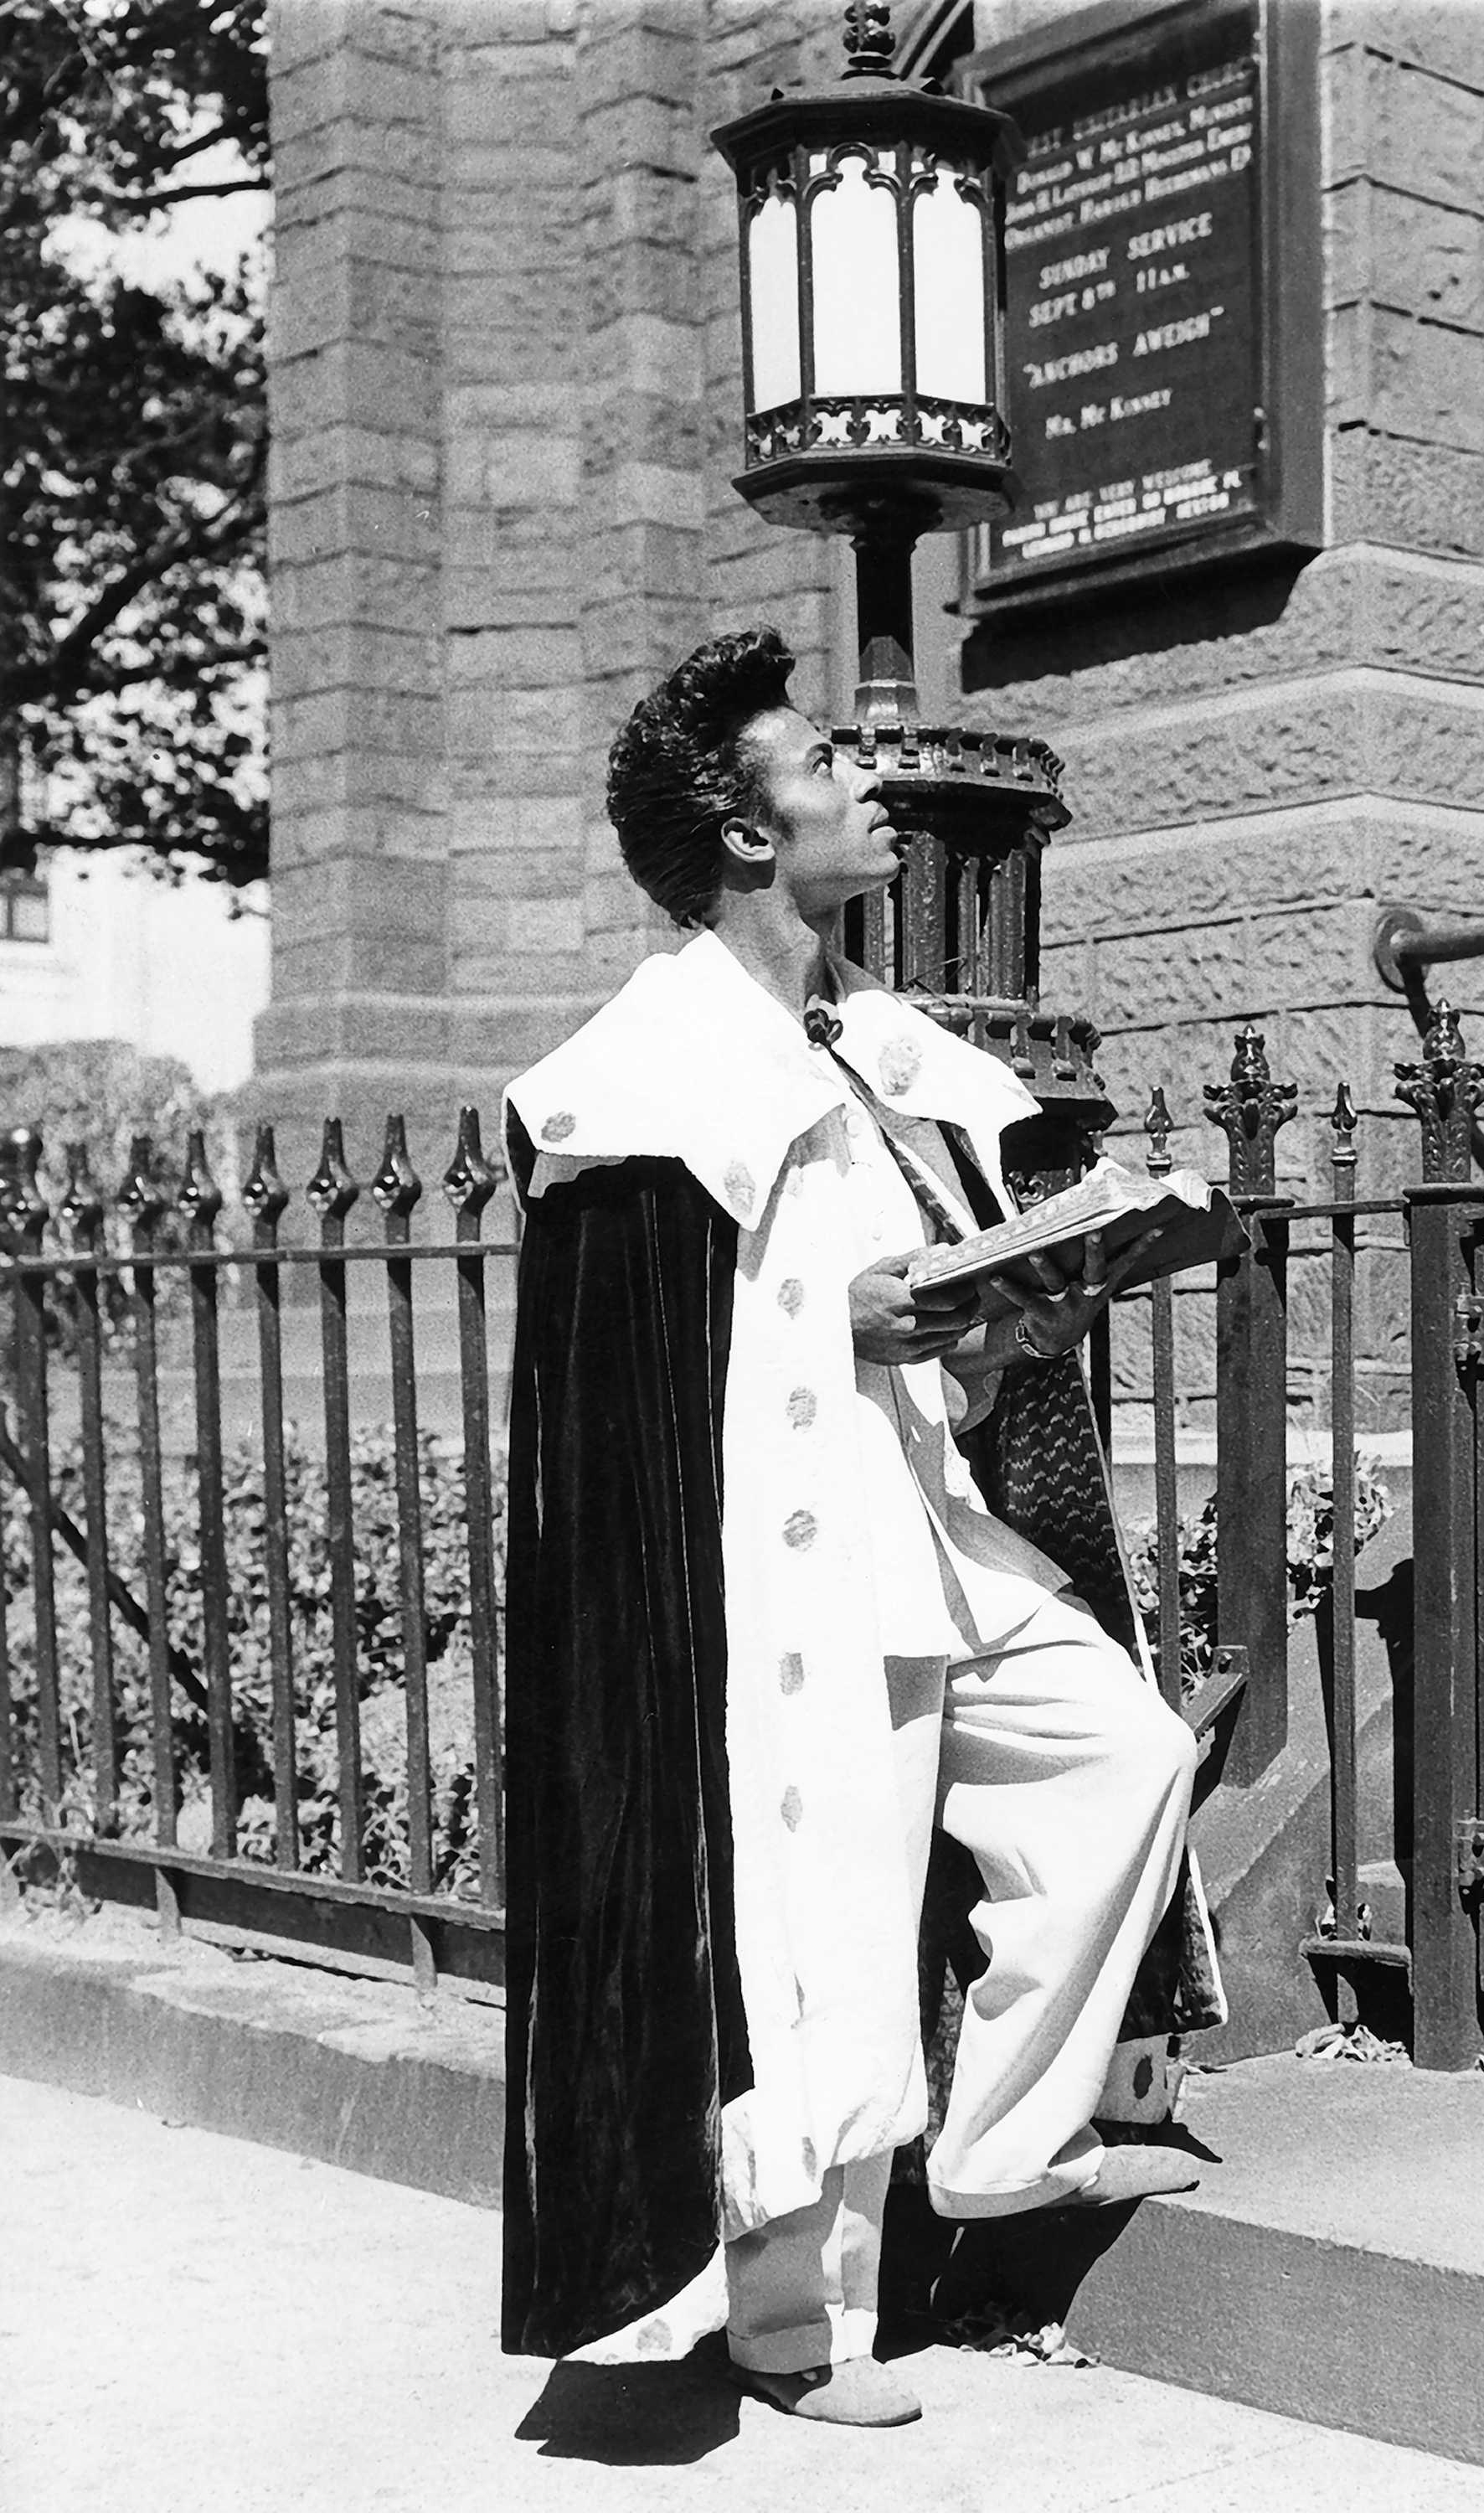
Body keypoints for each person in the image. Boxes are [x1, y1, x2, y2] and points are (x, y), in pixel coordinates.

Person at [497, 627, 1224, 2428]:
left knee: (1117, 1756)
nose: (865, 787)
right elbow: (645, 1389)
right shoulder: (652, 1072)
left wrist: (1001, 1321)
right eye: (824, 768)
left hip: (927, 1526)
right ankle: (781, 2326)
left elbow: (921, 1341)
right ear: (748, 838)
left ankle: (1001, 2147)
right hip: (793, 1578)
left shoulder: (870, 1043)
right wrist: (854, 1322)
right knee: (807, 1906)